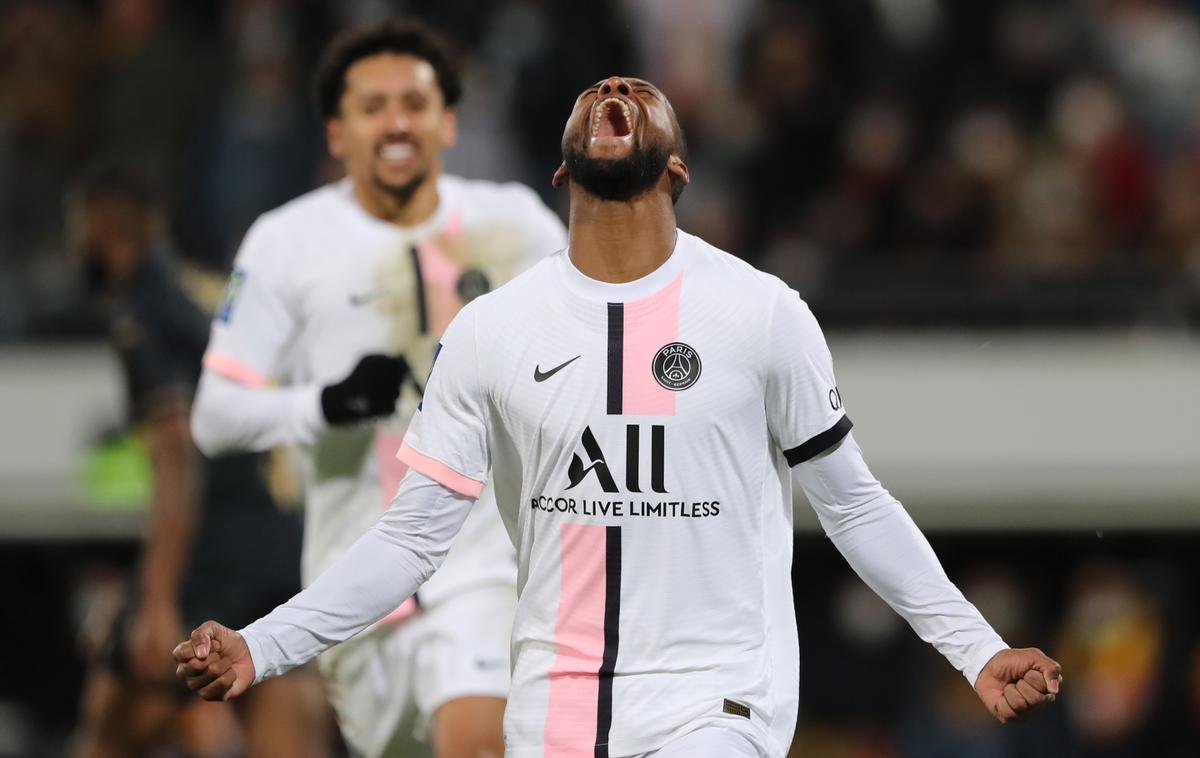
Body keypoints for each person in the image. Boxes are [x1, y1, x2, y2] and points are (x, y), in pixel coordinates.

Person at [175, 75, 1063, 758]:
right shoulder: (491, 333)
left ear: (676, 165)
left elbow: (853, 504)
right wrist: (262, 646)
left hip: (717, 698)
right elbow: (410, 540)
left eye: (641, 91)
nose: (615, 91)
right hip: (554, 705)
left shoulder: (762, 312)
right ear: (563, 168)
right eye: (596, 91)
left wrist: (975, 649)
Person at [187, 19, 567, 758]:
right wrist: (324, 405)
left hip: (483, 559)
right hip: (355, 576)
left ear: (448, 120)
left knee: (478, 740)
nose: (396, 123)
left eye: (414, 103)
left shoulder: (516, 223)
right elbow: (214, 416)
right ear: (336, 131)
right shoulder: (284, 241)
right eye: (372, 106)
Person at [67, 166, 328, 758]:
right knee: (281, 719)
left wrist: (157, 596)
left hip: (209, 551)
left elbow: (179, 455)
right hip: (272, 540)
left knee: (109, 728)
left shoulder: (141, 309)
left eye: (76, 226)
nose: (73, 243)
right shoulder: (199, 295)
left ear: (105, 226)